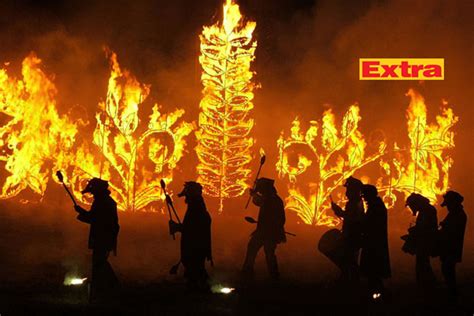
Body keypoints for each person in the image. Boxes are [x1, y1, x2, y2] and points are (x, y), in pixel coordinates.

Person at [74, 178, 120, 302]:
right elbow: (94, 217)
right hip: (105, 237)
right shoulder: (105, 201)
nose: (92, 193)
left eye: (93, 191)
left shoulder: (102, 202)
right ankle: (106, 289)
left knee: (99, 264)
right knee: (100, 263)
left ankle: (108, 289)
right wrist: (82, 212)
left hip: (102, 237)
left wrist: (80, 212)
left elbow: (94, 219)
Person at [169, 181, 212, 291]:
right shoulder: (196, 204)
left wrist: (177, 227)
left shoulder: (196, 206)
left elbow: (192, 227)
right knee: (194, 265)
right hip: (196, 242)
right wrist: (178, 227)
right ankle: (199, 286)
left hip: (196, 243)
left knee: (194, 265)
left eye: (187, 193)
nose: (185, 195)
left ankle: (198, 288)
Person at [242, 178, 286, 280]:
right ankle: (272, 275)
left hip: (268, 232)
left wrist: (254, 194)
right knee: (259, 250)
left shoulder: (272, 199)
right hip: (265, 231)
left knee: (263, 252)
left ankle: (250, 272)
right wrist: (254, 194)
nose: (260, 190)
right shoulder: (272, 198)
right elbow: (260, 202)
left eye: (261, 188)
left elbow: (261, 201)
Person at [331, 176, 364, 283]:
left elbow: (350, 218)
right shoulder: (357, 202)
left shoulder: (354, 203)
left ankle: (351, 282)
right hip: (354, 235)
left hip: (352, 236)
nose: (347, 192)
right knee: (349, 260)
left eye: (349, 189)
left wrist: (338, 211)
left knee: (349, 260)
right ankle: (349, 280)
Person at [360, 184, 391, 299]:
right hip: (374, 242)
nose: (363, 197)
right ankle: (377, 292)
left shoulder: (376, 207)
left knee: (372, 269)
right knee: (373, 271)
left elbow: (369, 224)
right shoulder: (377, 205)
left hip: (373, 243)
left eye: (364, 194)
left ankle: (378, 294)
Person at [405, 193, 438, 293]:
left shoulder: (427, 210)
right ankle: (427, 284)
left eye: (411, 205)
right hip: (424, 240)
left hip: (425, 241)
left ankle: (427, 285)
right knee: (423, 262)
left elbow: (425, 227)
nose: (411, 208)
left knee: (422, 262)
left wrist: (414, 232)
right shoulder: (426, 209)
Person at [438, 190, 467, 300]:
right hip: (450, 247)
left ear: (453, 203)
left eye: (448, 204)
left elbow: (451, 231)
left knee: (448, 269)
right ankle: (451, 291)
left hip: (451, 247)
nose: (447, 207)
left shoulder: (458, 215)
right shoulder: (456, 213)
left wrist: (443, 227)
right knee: (447, 269)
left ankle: (452, 293)